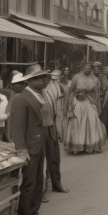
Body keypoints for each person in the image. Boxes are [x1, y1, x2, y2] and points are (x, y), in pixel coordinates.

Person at [10, 65, 52, 215]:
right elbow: (17, 128)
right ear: (29, 81)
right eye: (38, 78)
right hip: (29, 148)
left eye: (44, 77)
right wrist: (22, 151)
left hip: (39, 144)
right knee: (29, 184)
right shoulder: (21, 98)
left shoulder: (40, 95)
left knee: (38, 183)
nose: (43, 80)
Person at [65, 62, 107, 154]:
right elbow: (71, 90)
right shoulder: (76, 77)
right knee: (77, 123)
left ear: (91, 69)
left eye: (89, 68)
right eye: (86, 67)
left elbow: (96, 94)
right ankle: (77, 146)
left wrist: (97, 106)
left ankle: (90, 146)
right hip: (77, 101)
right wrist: (70, 105)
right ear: (82, 68)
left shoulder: (95, 79)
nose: (87, 69)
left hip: (89, 101)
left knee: (91, 120)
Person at [42, 69, 69, 198]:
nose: (44, 80)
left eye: (46, 77)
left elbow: (58, 112)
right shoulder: (35, 93)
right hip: (40, 130)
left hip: (52, 127)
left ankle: (56, 184)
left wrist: (58, 130)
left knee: (54, 158)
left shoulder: (55, 89)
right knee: (40, 163)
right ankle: (42, 189)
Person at [6, 72, 27, 142]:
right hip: (14, 130)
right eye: (18, 83)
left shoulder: (23, 95)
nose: (21, 86)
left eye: (22, 83)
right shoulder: (14, 96)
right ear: (12, 85)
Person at [93, 62, 108, 136]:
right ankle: (94, 132)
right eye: (94, 69)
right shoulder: (90, 77)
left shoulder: (103, 77)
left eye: (98, 68)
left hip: (102, 98)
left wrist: (101, 96)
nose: (96, 70)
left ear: (100, 69)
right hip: (92, 98)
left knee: (103, 115)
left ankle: (103, 132)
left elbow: (106, 88)